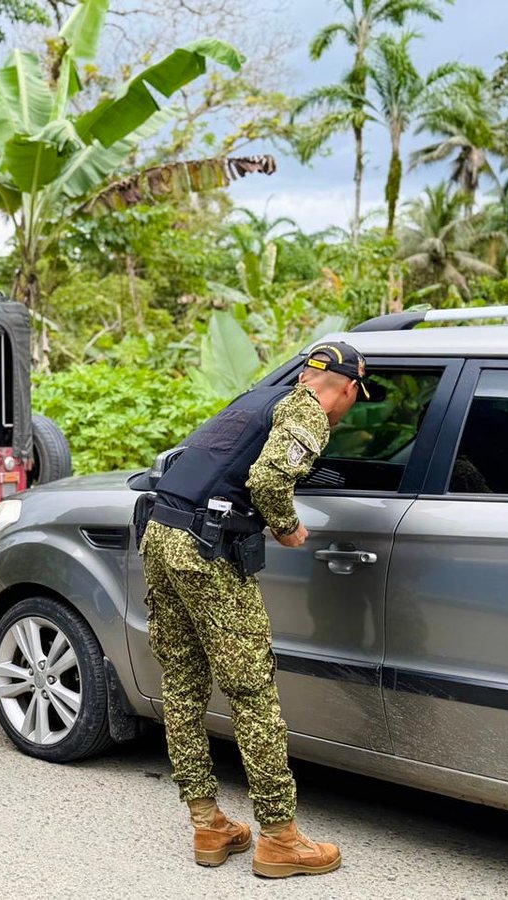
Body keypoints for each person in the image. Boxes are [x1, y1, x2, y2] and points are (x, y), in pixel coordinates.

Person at [138, 342, 369, 878]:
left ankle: (207, 823)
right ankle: (279, 837)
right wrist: (287, 527)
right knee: (252, 689)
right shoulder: (306, 410)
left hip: (162, 533)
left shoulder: (256, 400)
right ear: (349, 388)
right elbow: (267, 480)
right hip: (206, 550)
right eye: (353, 399)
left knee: (183, 682)